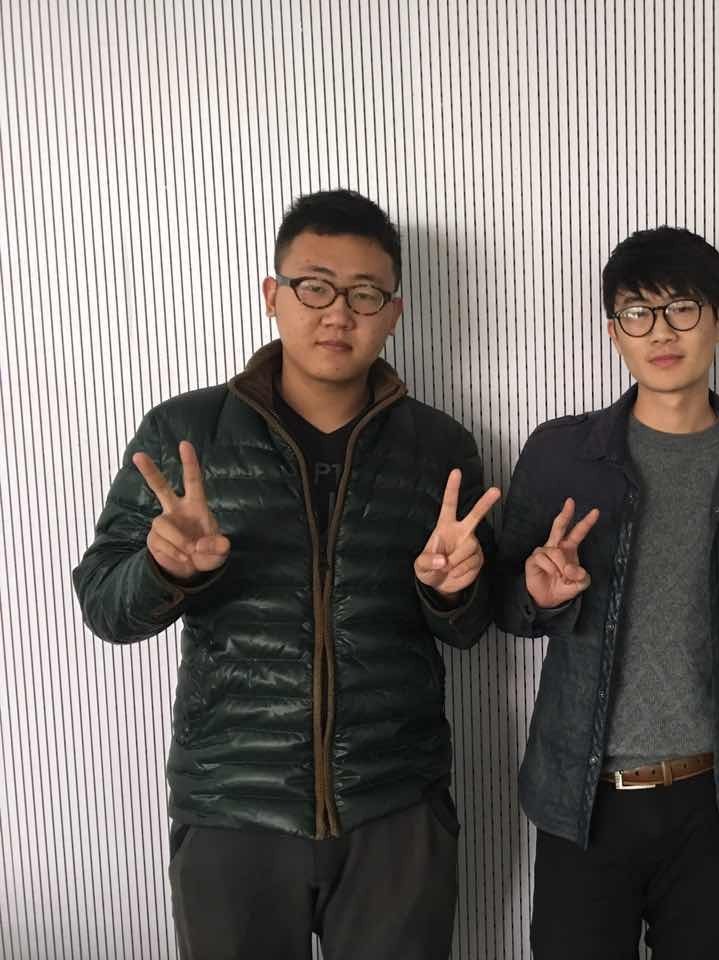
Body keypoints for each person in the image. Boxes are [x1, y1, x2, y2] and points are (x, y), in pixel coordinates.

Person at [72, 189, 499, 960]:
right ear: (273, 295)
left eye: (364, 294)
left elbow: (472, 628)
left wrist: (452, 590)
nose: (338, 314)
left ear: (394, 313)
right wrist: (163, 570)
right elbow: (104, 603)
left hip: (395, 809)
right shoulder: (185, 434)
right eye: (315, 287)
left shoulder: (440, 448)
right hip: (232, 808)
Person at [495, 226, 719, 958]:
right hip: (583, 795)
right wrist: (537, 594)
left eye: (682, 308)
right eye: (637, 312)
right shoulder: (561, 455)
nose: (661, 331)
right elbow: (504, 607)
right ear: (613, 331)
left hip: (716, 797)